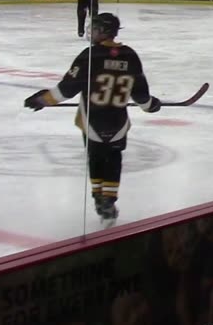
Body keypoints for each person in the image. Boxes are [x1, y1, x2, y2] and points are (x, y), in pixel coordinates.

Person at [24, 12, 161, 227]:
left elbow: (65, 91)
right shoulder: (130, 55)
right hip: (118, 124)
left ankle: (99, 198)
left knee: (96, 158)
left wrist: (42, 100)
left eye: (95, 28)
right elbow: (141, 95)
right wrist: (151, 105)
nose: (92, 32)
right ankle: (108, 201)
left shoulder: (90, 56)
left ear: (104, 31)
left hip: (92, 123)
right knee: (114, 160)